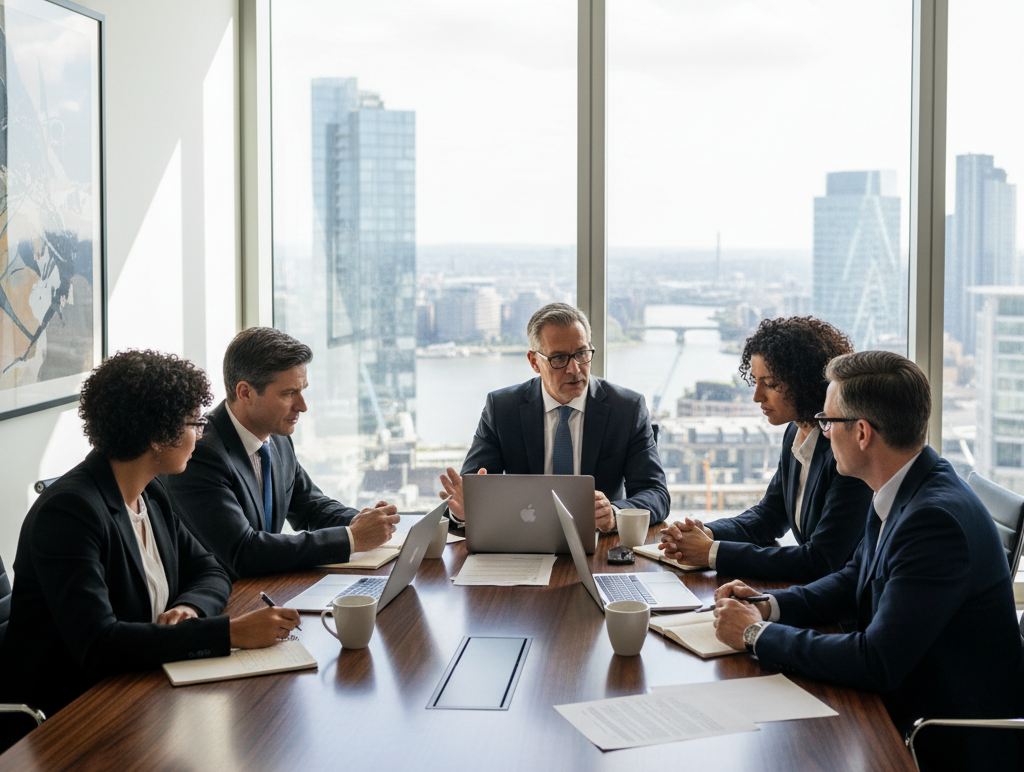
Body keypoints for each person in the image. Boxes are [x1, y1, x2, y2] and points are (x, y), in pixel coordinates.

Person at [712, 350, 1024, 772]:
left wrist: (756, 635)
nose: (821, 431)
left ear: (861, 432)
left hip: (946, 748)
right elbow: (853, 578)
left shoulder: (933, 520)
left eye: (827, 421)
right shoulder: (904, 485)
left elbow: (877, 660)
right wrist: (770, 606)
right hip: (904, 707)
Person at [0, 350, 300, 722]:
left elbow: (210, 570)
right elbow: (100, 644)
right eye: (195, 423)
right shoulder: (69, 513)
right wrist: (230, 633)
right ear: (158, 435)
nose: (201, 434)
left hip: (139, 688)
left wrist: (190, 608)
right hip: (67, 713)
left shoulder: (151, 493)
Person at [165, 327, 399, 580]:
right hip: (223, 595)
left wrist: (366, 521)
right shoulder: (201, 454)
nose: (303, 406)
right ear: (245, 393)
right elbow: (244, 552)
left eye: (302, 390)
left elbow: (311, 508)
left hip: (263, 586)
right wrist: (352, 538)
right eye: (288, 393)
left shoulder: (277, 438)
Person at [658, 316, 871, 581]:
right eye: (755, 381)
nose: (757, 396)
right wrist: (705, 534)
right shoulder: (795, 432)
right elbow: (770, 515)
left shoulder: (846, 453)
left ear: (804, 381)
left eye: (769, 384)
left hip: (843, 601)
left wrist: (712, 553)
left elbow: (821, 561)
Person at [439, 303, 669, 531]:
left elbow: (656, 493)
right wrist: (464, 513)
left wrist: (614, 514)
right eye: (559, 358)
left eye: (581, 353)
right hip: (523, 540)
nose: (575, 369)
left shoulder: (626, 409)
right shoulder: (502, 409)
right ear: (534, 362)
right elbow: (465, 498)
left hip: (599, 543)